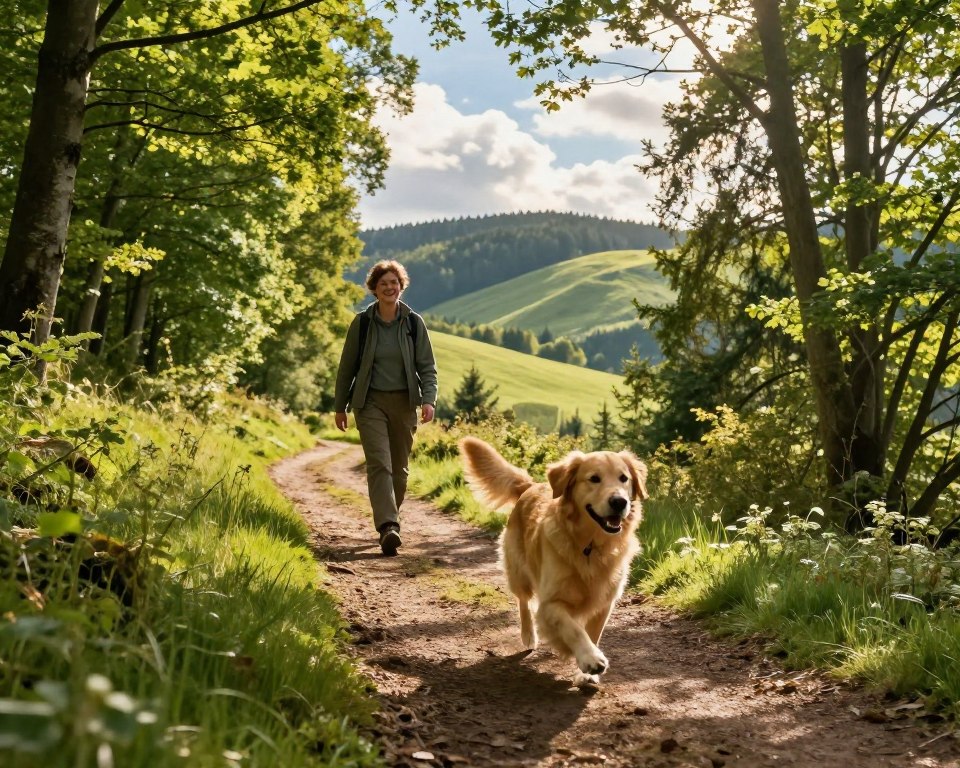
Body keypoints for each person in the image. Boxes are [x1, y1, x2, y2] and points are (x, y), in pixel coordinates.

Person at [333, 260, 438, 556]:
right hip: (370, 402)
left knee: (399, 469)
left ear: (401, 286)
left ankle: (389, 516)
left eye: (394, 282)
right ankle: (389, 526)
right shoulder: (363, 324)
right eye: (383, 284)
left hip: (404, 403)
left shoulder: (414, 323)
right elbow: (347, 368)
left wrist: (428, 399)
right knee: (379, 463)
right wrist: (340, 406)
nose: (390, 288)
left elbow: (427, 367)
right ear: (374, 290)